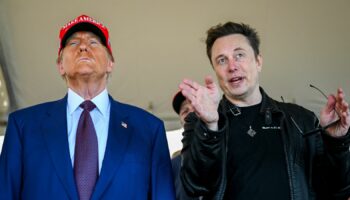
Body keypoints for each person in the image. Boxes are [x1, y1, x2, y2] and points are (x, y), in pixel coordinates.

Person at [0, 14, 175, 200]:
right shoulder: (23, 126)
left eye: (93, 43)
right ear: (60, 65)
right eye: (73, 43)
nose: (83, 46)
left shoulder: (148, 129)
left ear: (110, 63)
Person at [179, 22, 350, 200]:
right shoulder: (200, 123)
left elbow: (337, 190)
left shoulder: (301, 119)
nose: (232, 66)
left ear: (258, 61)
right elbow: (194, 187)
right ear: (215, 70)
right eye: (222, 60)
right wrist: (210, 126)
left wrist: (336, 141)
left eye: (239, 55)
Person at [171, 91, 202, 200]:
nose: (191, 114)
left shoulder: (226, 153)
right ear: (181, 121)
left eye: (196, 108)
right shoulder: (173, 165)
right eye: (185, 111)